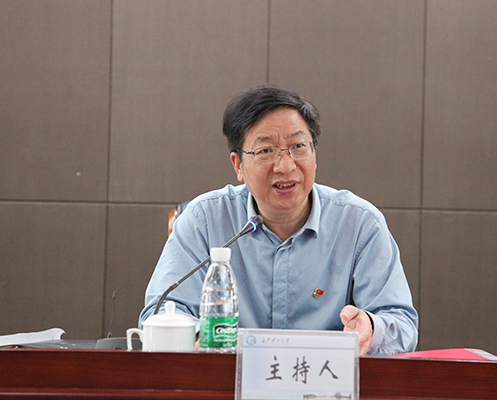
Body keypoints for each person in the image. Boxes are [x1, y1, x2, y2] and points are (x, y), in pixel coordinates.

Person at [140, 85, 418, 355]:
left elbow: (402, 325)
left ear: (314, 154)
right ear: (238, 165)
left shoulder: (359, 224)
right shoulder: (204, 220)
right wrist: (204, 337)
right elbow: (161, 311)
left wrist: (371, 328)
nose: (285, 166)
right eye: (266, 151)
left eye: (298, 146)